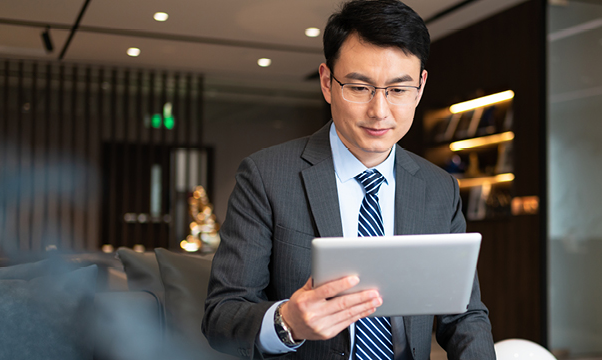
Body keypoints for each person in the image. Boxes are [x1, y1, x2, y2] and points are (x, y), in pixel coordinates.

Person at [202, 1, 496, 359]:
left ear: (420, 88)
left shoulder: (438, 188)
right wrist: (287, 322)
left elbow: (464, 315)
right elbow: (222, 315)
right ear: (327, 82)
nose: (380, 111)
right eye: (359, 88)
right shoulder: (266, 177)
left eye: (399, 90)